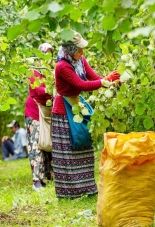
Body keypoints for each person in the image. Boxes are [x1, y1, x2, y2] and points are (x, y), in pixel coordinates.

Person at [51, 31, 120, 199]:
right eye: (79, 49)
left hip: (77, 107)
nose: (82, 52)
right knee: (68, 151)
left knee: (83, 146)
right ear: (70, 49)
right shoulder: (62, 66)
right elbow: (81, 84)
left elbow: (94, 78)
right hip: (63, 111)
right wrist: (102, 83)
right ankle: (69, 193)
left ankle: (88, 189)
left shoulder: (80, 60)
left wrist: (111, 80)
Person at [25, 43, 54, 191]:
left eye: (50, 54)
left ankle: (49, 175)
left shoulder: (51, 72)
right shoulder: (34, 72)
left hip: (48, 113)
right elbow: (39, 91)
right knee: (36, 145)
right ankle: (37, 180)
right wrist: (53, 88)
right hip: (34, 112)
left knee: (48, 143)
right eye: (45, 54)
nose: (47, 57)